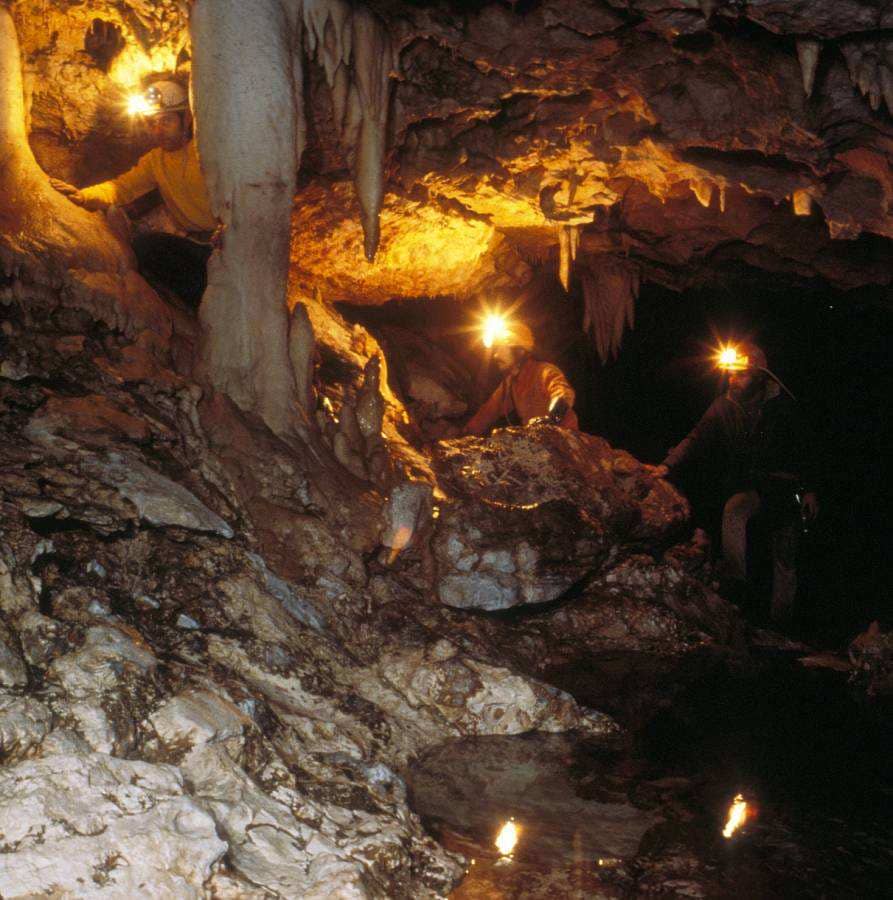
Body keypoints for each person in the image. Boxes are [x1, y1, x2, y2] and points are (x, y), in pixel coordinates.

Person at [652, 342, 818, 622]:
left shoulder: (783, 407)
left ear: (760, 377)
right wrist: (665, 466)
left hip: (785, 489)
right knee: (735, 510)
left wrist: (812, 490)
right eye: (731, 374)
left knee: (785, 558)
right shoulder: (724, 406)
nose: (734, 379)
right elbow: (695, 438)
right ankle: (735, 583)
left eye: (741, 374)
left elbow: (807, 449)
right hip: (752, 487)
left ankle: (782, 624)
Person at [50, 80, 216, 307]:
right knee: (145, 247)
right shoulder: (155, 161)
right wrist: (83, 196)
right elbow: (122, 188)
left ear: (186, 118)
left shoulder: (208, 152)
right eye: (152, 123)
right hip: (199, 248)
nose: (158, 130)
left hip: (232, 243)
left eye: (166, 121)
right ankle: (203, 308)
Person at [464, 320, 579, 436]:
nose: (496, 355)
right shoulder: (510, 384)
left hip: (564, 438)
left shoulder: (544, 371)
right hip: (539, 439)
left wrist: (552, 419)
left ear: (519, 351)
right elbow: (488, 411)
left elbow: (563, 394)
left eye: (500, 349)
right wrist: (465, 434)